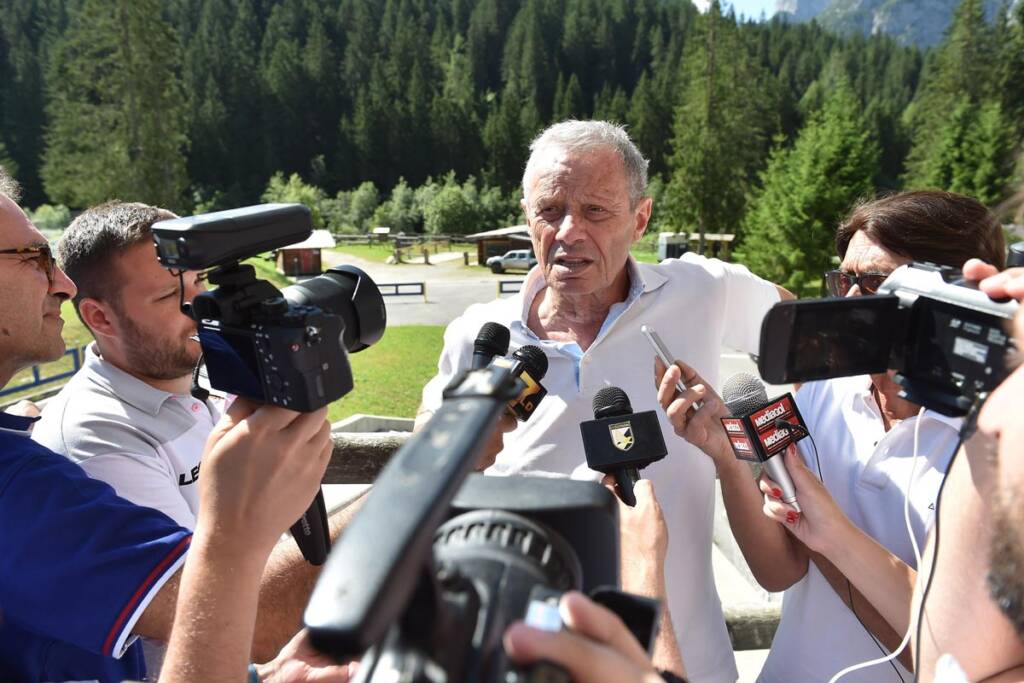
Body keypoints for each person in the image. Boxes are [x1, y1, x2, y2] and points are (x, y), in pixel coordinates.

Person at [418, 120, 791, 683]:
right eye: (550, 210)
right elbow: (424, 456)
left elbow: (805, 333)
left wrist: (770, 451)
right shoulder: (480, 334)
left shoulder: (701, 290)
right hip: (520, 657)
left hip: (683, 660)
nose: (569, 232)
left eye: (595, 211)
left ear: (640, 219)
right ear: (526, 216)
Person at [0, 166, 352, 681]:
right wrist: (417, 487)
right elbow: (236, 613)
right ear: (100, 318)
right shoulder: (54, 463)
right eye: (33, 257)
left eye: (202, 283)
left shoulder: (203, 381)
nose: (63, 284)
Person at [654, 190, 1007, 682]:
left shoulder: (1000, 438)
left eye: (876, 283)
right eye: (845, 280)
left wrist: (832, 538)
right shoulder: (823, 389)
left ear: (955, 295)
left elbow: (962, 656)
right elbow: (780, 571)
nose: (850, 302)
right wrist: (728, 457)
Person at [33, 201, 213, 528]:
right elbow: (195, 565)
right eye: (169, 295)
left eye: (200, 280)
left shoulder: (203, 365)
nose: (201, 305)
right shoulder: (95, 438)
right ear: (100, 318)